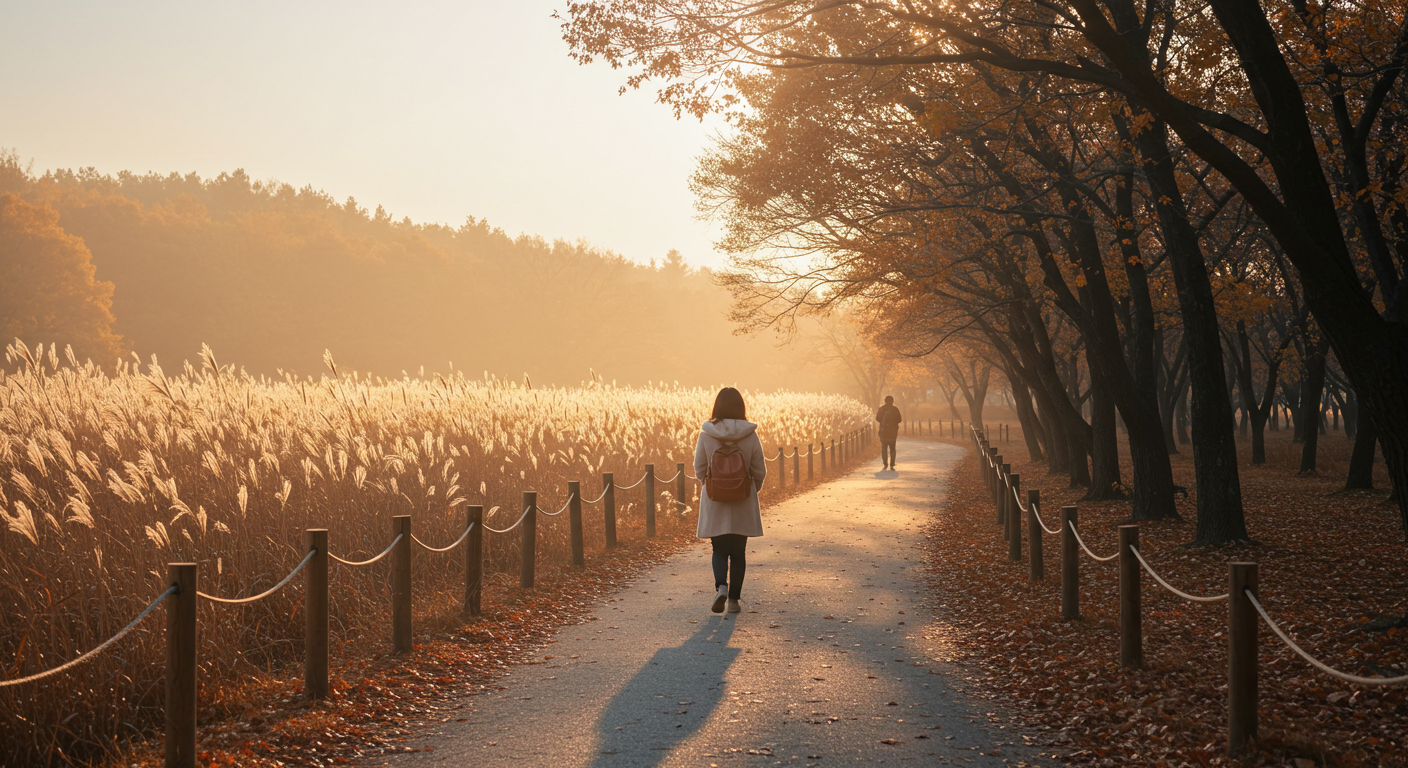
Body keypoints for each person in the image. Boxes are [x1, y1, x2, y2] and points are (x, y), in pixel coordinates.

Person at [694, 387, 767, 614]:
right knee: (738, 551)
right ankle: (734, 602)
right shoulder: (750, 435)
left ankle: (721, 588)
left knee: (718, 548)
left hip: (715, 499)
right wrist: (751, 490)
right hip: (743, 499)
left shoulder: (706, 435)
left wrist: (712, 486)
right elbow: (759, 470)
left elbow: (699, 469)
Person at [876, 395, 902, 469]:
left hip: (884, 432)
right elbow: (900, 420)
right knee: (892, 448)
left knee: (884, 448)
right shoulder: (895, 409)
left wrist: (883, 422)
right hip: (893, 433)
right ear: (892, 401)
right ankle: (892, 464)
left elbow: (877, 418)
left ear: (885, 401)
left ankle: (885, 464)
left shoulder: (881, 409)